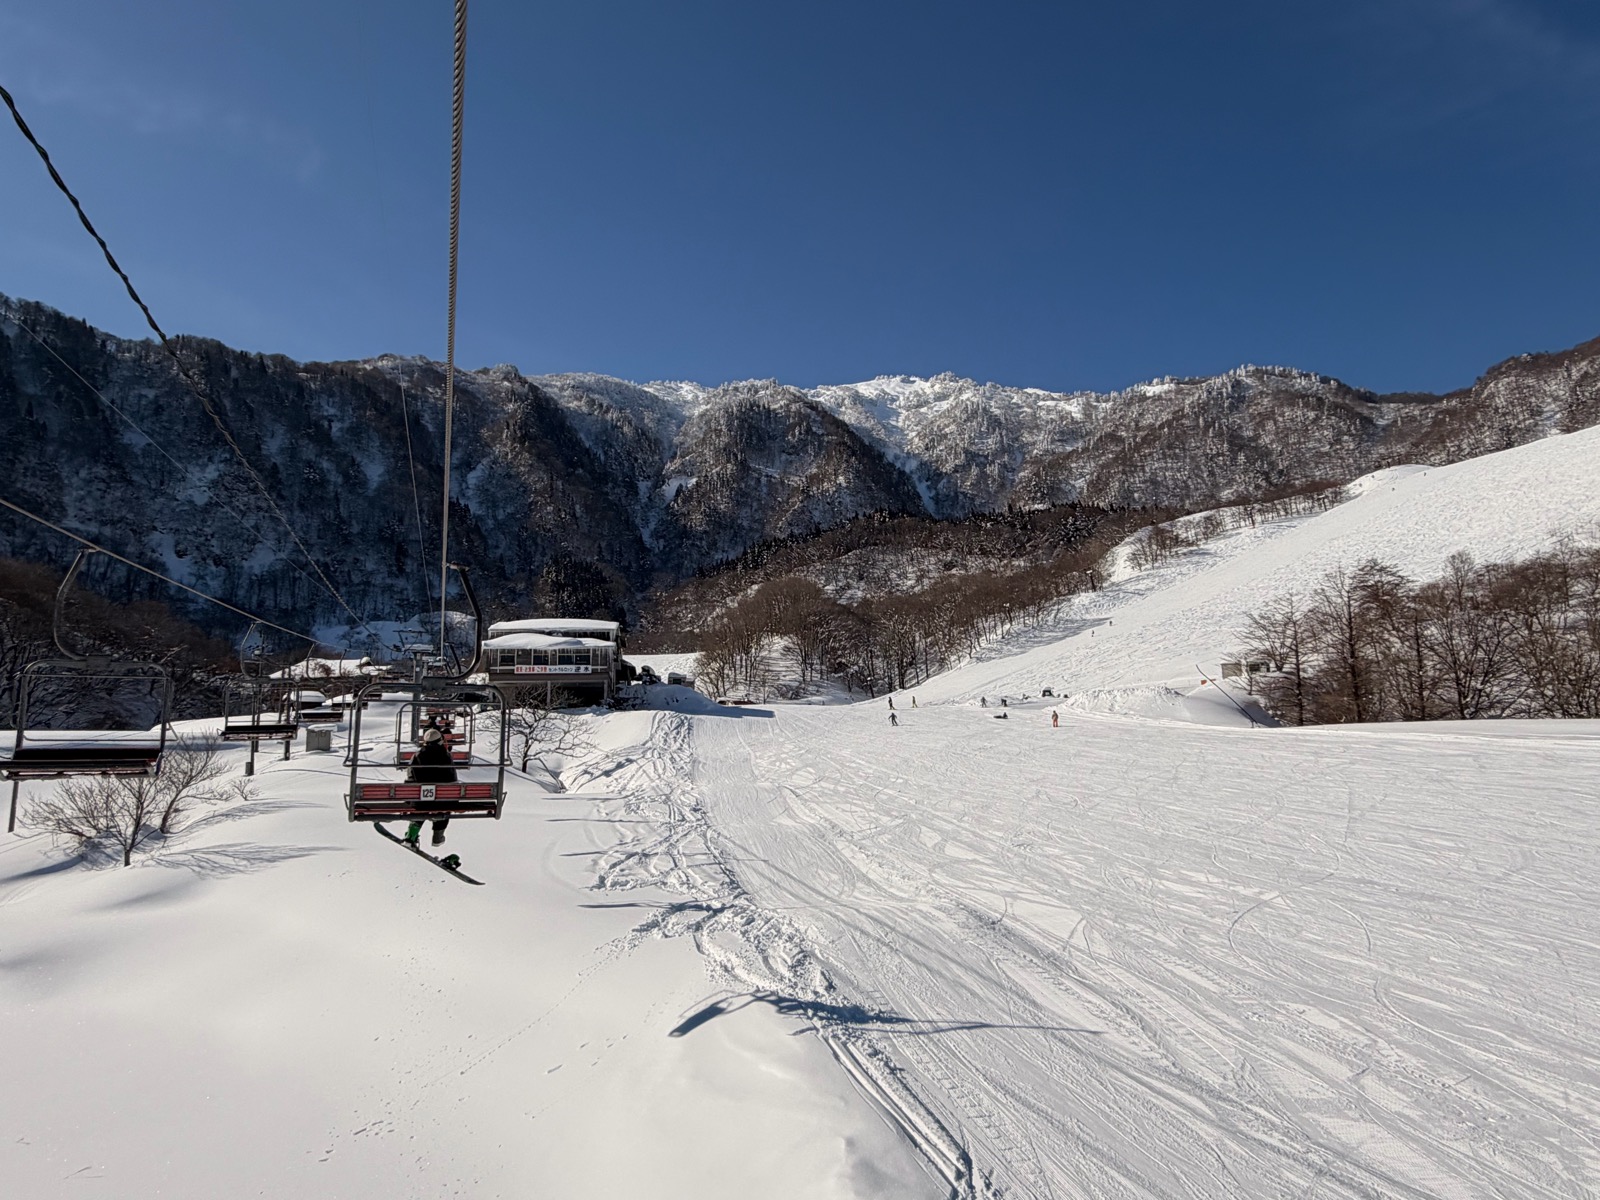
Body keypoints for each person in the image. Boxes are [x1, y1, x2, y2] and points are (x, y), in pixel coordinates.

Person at [403, 727, 457, 847]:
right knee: (444, 807)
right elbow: (452, 779)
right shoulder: (446, 756)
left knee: (420, 802)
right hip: (442, 801)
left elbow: (410, 777)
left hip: (420, 800)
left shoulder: (417, 756)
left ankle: (411, 836)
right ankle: (438, 836)